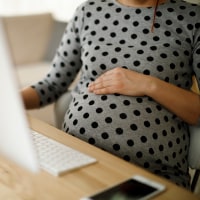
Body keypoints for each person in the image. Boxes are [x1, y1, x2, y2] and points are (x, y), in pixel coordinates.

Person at [22, 0, 200, 189]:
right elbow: (52, 84)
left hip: (150, 175)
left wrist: (149, 85)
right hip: (73, 159)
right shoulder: (87, 12)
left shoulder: (192, 18)